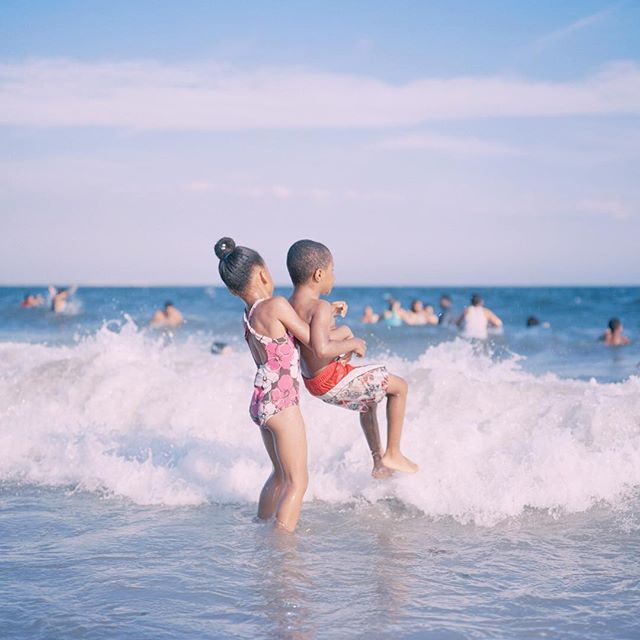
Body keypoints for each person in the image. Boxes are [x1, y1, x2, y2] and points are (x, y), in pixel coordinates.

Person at [287, 239, 418, 477]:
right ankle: (393, 453)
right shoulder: (320, 306)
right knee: (399, 387)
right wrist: (352, 342)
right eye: (332, 271)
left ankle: (379, 462)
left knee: (368, 402)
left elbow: (310, 339)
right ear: (318, 274)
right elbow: (321, 349)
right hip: (331, 377)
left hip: (314, 382)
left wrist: (334, 320)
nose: (333, 277)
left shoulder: (289, 305)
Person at [214, 236, 313, 533]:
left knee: (280, 475)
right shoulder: (276, 305)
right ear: (263, 274)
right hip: (282, 402)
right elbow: (311, 338)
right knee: (298, 480)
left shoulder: (249, 314)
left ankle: (261, 528)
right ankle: (282, 548)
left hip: (261, 401)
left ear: (233, 289)